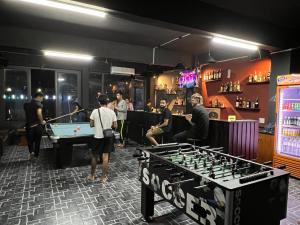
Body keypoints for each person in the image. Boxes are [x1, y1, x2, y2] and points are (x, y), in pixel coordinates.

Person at [88, 94, 117, 183]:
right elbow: (115, 125)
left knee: (94, 156)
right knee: (105, 157)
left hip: (97, 136)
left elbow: (91, 124)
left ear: (99, 102)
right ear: (107, 102)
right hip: (108, 137)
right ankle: (104, 178)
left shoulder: (95, 111)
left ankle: (92, 176)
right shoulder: (112, 112)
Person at [23, 92, 46, 159]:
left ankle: (31, 152)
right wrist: (42, 122)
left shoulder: (26, 105)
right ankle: (36, 155)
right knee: (37, 142)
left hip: (29, 126)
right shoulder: (39, 104)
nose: (42, 99)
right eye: (42, 98)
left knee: (30, 142)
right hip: (37, 126)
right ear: (39, 97)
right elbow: (39, 113)